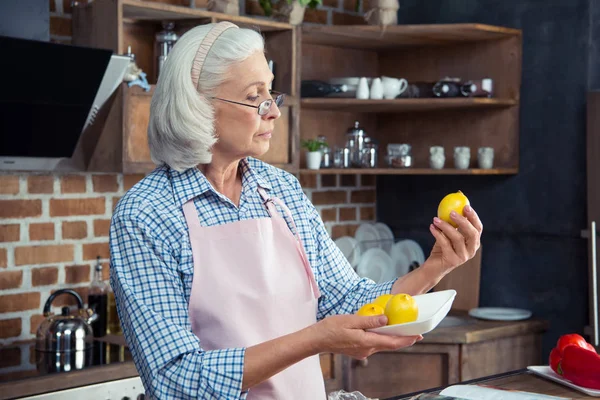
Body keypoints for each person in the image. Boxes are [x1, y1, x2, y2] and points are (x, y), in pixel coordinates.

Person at [109, 22, 483, 400]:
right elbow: (175, 380)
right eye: (255, 97)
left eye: (271, 93)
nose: (273, 111)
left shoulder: (280, 189)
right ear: (198, 104)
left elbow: (349, 300)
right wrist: (314, 340)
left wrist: (437, 265)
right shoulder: (147, 213)